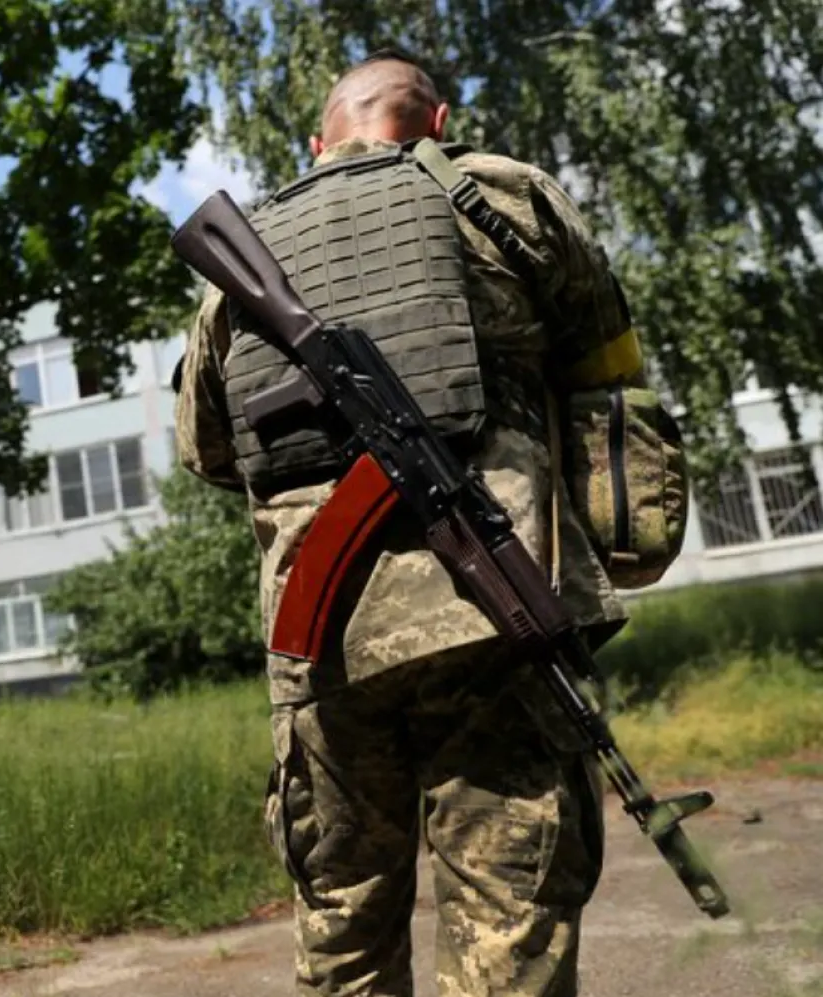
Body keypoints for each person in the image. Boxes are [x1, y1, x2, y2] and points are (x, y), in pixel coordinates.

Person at [174, 50, 649, 996]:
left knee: (343, 927)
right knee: (509, 921)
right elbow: (606, 378)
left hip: (323, 643)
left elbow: (208, 451)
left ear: (320, 144)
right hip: (496, 618)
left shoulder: (244, 263)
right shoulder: (504, 198)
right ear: (434, 124)